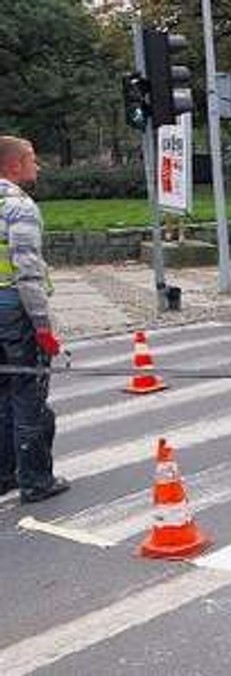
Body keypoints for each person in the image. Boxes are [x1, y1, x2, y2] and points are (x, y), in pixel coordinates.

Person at [0, 136, 68, 503]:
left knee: (2, 395)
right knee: (29, 395)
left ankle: (5, 474)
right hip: (14, 310)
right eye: (32, 159)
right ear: (13, 166)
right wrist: (43, 327)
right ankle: (36, 480)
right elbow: (27, 271)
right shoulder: (18, 207)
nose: (37, 166)